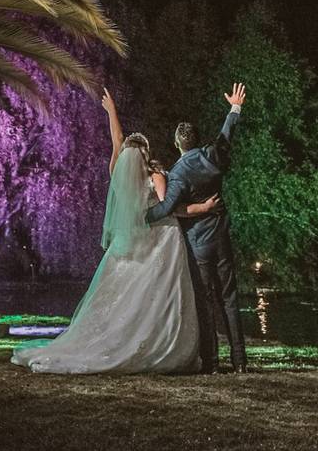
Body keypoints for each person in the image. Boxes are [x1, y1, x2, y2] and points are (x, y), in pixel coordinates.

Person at [11, 88, 216, 374]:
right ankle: (156, 343)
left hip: (130, 242)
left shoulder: (117, 178)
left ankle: (118, 338)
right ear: (145, 154)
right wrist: (202, 209)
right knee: (156, 295)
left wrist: (112, 112)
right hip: (160, 241)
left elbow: (116, 143)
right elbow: (172, 207)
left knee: (124, 295)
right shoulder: (155, 176)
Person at [145, 83, 247, 373]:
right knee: (230, 299)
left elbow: (166, 209)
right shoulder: (211, 156)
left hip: (198, 244)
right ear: (197, 140)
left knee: (205, 302)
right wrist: (235, 107)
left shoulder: (177, 173)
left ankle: (212, 363)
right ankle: (240, 362)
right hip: (222, 236)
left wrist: (140, 217)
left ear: (177, 144)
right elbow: (227, 136)